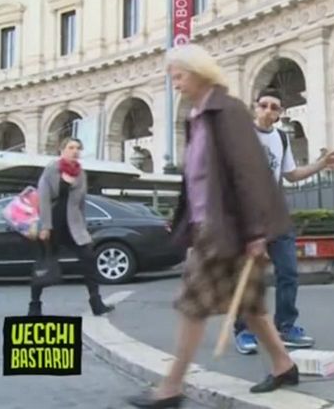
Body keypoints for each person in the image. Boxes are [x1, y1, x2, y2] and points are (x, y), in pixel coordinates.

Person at [126, 44, 299, 408]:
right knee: (249, 304)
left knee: (193, 304)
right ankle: (284, 364)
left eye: (179, 76)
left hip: (226, 229)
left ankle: (171, 387)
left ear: (198, 72)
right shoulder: (198, 116)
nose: (175, 84)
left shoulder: (228, 111)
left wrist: (256, 233)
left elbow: (248, 173)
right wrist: (184, 223)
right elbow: (196, 179)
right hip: (211, 225)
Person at [234, 88, 334, 355]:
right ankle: (244, 330)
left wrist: (321, 164)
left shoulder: (281, 138)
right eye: (263, 105)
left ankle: (285, 326)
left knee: (288, 272)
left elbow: (292, 175)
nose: (268, 111)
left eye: (274, 107)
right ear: (255, 107)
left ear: (280, 114)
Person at [27, 137, 114, 317]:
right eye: (71, 147)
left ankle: (96, 302)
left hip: (74, 226)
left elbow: (81, 203)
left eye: (78, 148)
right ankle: (34, 306)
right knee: (43, 264)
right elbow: (43, 198)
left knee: (89, 260)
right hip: (53, 224)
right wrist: (45, 226)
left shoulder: (81, 174)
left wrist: (84, 228)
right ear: (62, 150)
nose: (75, 151)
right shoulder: (52, 169)